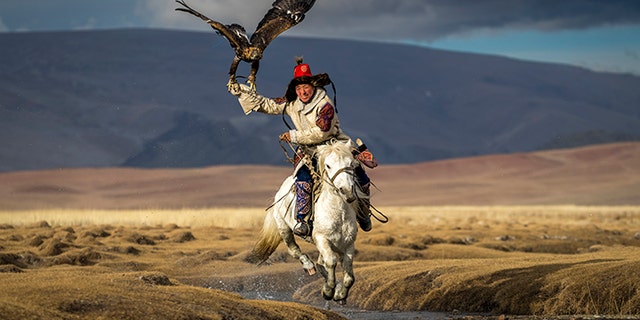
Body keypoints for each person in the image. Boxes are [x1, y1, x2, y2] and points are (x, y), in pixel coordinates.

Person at [228, 57, 375, 237]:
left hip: (333, 146)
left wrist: (294, 136)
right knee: (303, 179)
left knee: (361, 178)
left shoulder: (325, 104)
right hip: (309, 151)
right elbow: (266, 104)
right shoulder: (291, 103)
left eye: (306, 87)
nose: (303, 91)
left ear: (313, 86)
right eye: (299, 88)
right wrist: (241, 92)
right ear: (295, 89)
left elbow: (323, 132)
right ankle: (302, 220)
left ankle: (363, 214)